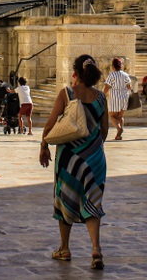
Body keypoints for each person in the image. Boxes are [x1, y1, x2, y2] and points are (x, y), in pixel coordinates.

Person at [39, 54, 108, 270]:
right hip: (95, 157)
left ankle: (64, 248)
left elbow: (50, 123)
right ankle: (96, 248)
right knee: (93, 202)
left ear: (75, 73)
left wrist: (44, 146)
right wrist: (91, 145)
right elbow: (104, 131)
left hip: (69, 156)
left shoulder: (67, 93)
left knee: (65, 198)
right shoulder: (101, 98)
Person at [102, 58, 131, 141]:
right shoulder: (125, 75)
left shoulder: (112, 75)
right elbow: (129, 86)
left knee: (112, 115)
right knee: (120, 116)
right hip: (124, 96)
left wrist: (103, 95)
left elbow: (107, 87)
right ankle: (119, 135)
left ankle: (119, 128)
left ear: (113, 66)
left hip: (115, 97)